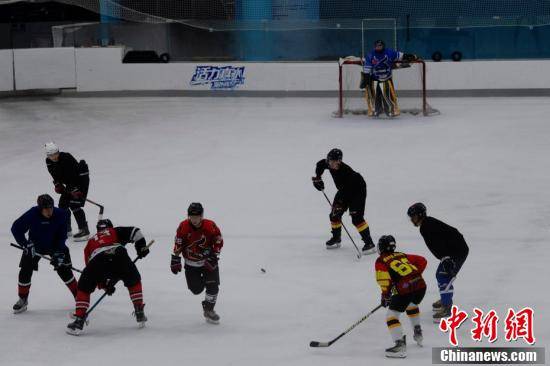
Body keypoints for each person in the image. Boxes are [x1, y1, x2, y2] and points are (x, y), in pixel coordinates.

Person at [66, 219, 150, 335]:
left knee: (84, 286)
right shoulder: (114, 231)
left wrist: (103, 284)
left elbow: (90, 268)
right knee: (133, 279)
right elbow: (136, 232)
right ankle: (139, 309)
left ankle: (79, 319)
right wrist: (141, 247)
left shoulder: (90, 242)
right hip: (119, 255)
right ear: (110, 226)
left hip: (97, 260)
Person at [11, 194, 78, 313]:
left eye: (51, 208)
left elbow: (62, 236)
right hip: (34, 246)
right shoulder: (32, 214)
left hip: (55, 245)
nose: (49, 211)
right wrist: (25, 244)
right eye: (46, 209)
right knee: (25, 271)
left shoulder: (61, 214)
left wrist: (59, 252)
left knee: (65, 270)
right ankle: (23, 299)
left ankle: (79, 297)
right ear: (40, 208)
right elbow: (16, 228)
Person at [407, 202, 469, 321]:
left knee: (443, 275)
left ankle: (447, 306)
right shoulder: (426, 224)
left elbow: (438, 243)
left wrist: (446, 258)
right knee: (441, 275)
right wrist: (445, 257)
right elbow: (440, 241)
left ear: (420, 215)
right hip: (454, 250)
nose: (411, 220)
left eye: (413, 216)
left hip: (457, 251)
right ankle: (445, 298)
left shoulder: (427, 226)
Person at [312, 148, 375, 254]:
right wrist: (318, 178)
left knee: (356, 218)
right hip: (344, 189)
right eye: (329, 160)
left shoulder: (345, 171)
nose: (330, 163)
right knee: (334, 215)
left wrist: (340, 205)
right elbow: (320, 164)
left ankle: (369, 243)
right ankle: (336, 238)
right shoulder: (328, 163)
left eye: (333, 162)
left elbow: (348, 192)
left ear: (339, 161)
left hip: (357, 189)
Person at [170, 203, 224, 324]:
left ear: (202, 216)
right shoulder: (183, 226)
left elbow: (218, 241)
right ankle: (207, 282)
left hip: (208, 262)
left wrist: (215, 255)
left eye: (197, 217)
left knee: (213, 286)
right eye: (191, 217)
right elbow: (178, 243)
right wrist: (175, 258)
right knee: (196, 290)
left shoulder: (210, 226)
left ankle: (209, 310)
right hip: (191, 264)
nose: (194, 220)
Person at [375, 235, 427, 358]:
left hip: (405, 289)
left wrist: (385, 296)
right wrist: (413, 275)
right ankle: (418, 331)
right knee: (411, 304)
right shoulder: (401, 255)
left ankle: (399, 345)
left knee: (391, 316)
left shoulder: (381, 260)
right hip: (420, 285)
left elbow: (383, 280)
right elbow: (422, 260)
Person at [45, 142, 90, 241]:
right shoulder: (48, 161)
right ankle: (66, 228)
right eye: (51, 155)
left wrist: (75, 189)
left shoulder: (66, 157)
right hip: (69, 184)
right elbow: (54, 175)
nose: (54, 157)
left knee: (74, 204)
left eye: (56, 154)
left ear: (58, 151)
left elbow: (74, 174)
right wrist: (57, 184)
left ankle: (84, 230)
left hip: (81, 180)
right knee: (63, 205)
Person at [360, 40, 418, 117]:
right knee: (375, 96)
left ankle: (391, 110)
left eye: (380, 46)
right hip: (375, 79)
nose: (378, 47)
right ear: (374, 47)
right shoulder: (370, 55)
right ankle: (376, 110)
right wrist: (366, 78)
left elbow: (400, 55)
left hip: (387, 78)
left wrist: (410, 56)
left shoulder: (390, 52)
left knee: (388, 95)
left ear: (383, 46)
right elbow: (367, 67)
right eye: (377, 46)